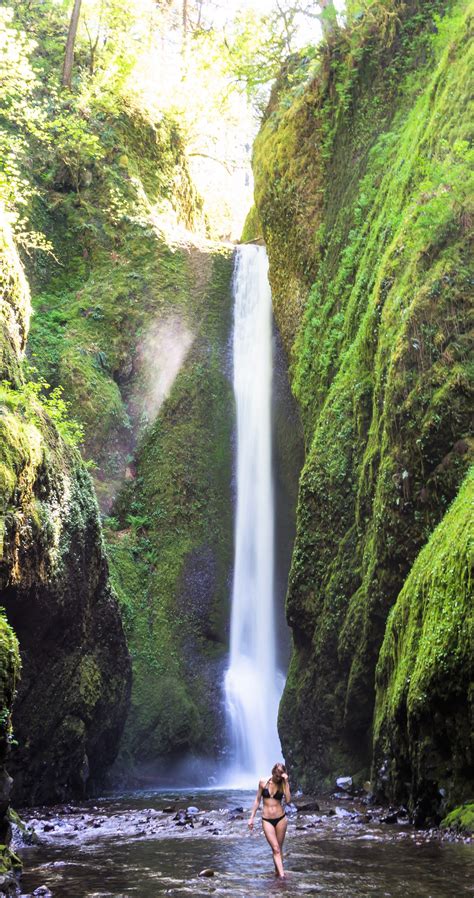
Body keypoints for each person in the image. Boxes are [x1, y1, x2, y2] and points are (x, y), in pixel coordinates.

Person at [248, 762, 291, 879]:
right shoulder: (263, 782)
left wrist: (286, 782)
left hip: (281, 819)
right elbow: (257, 800)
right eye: (276, 775)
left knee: (278, 849)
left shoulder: (283, 784)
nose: (278, 778)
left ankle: (277, 873)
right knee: (275, 848)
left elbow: (288, 800)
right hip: (267, 820)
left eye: (280, 776)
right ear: (273, 772)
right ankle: (282, 877)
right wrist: (251, 817)